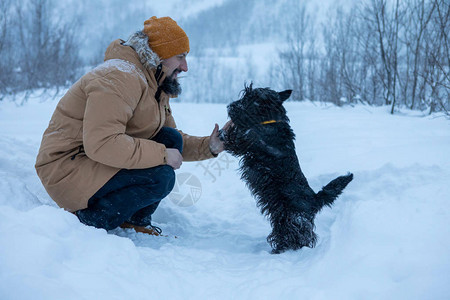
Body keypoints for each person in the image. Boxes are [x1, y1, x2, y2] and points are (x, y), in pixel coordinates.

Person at [35, 16, 229, 235]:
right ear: (160, 56)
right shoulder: (119, 77)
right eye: (180, 57)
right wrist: (162, 155)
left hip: (94, 159)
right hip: (67, 169)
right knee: (161, 177)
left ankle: (131, 218)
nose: (185, 67)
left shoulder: (155, 82)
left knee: (170, 139)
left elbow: (171, 139)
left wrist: (210, 146)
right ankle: (91, 219)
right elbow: (102, 143)